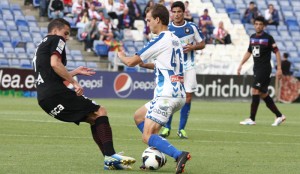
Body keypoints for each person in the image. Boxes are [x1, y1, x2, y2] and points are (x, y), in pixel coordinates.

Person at [32, 18, 136, 171]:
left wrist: (74, 72)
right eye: (65, 33)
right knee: (100, 111)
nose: (67, 37)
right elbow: (55, 63)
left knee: (94, 119)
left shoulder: (40, 47)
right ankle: (110, 156)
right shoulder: (56, 39)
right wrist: (74, 82)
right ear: (55, 31)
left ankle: (109, 159)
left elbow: (51, 73)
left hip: (44, 99)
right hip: (56, 93)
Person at [117, 4, 191, 173]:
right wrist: (144, 64)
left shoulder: (160, 39)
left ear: (158, 20)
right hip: (176, 92)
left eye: (149, 20)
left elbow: (130, 62)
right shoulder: (174, 39)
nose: (148, 23)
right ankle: (158, 151)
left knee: (148, 135)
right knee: (138, 117)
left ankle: (179, 154)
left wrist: (120, 55)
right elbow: (162, 64)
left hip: (167, 95)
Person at [160, 1, 205, 139]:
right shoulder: (166, 28)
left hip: (189, 66)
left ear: (184, 13)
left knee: (188, 96)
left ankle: (181, 129)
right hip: (173, 68)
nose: (177, 14)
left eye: (179, 12)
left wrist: (193, 47)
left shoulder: (191, 27)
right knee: (172, 96)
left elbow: (202, 43)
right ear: (171, 13)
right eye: (174, 12)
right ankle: (166, 128)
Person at [237, 16, 286, 126]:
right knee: (263, 94)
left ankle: (251, 119)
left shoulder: (268, 38)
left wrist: (279, 68)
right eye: (256, 24)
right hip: (256, 68)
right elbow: (249, 52)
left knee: (254, 90)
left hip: (264, 69)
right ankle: (279, 116)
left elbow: (277, 52)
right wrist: (241, 64)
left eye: (260, 24)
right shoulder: (252, 37)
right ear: (254, 25)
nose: (258, 26)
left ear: (264, 26)